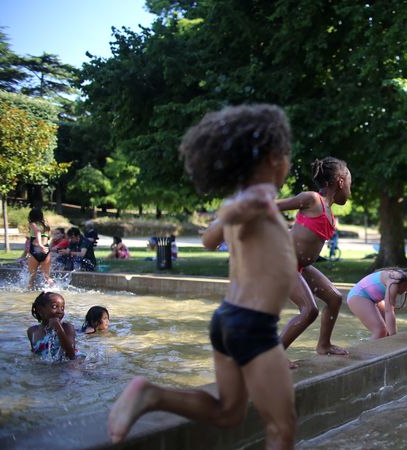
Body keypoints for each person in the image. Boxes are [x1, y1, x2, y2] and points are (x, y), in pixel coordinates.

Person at [108, 104, 297, 447]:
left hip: (227, 320)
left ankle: (151, 395)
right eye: (287, 156)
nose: (288, 164)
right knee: (281, 427)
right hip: (253, 325)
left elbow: (210, 239)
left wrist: (232, 213)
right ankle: (146, 395)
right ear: (273, 158)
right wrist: (246, 206)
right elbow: (233, 211)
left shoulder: (247, 204)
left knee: (228, 413)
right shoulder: (257, 202)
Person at [273, 156, 351, 359]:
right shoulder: (312, 199)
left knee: (334, 298)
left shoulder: (330, 213)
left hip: (301, 266)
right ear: (341, 182)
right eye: (350, 183)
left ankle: (324, 345)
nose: (350, 190)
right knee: (309, 310)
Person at [346, 257, 407, 339]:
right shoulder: (395, 280)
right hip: (358, 296)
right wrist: (394, 339)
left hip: (374, 299)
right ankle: (366, 356)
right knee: (380, 331)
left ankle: (381, 354)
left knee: (388, 332)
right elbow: (389, 310)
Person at [27, 291, 77, 361]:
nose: (60, 311)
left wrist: (58, 328)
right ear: (40, 310)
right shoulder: (32, 331)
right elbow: (35, 355)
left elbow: (71, 355)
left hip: (66, 366)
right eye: (54, 306)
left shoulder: (67, 327)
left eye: (62, 308)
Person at [26, 208, 54, 289]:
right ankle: (54, 290)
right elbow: (48, 238)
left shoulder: (32, 224)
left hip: (35, 249)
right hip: (46, 250)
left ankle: (27, 295)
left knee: (32, 277)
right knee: (47, 277)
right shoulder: (46, 226)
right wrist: (43, 245)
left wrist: (40, 245)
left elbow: (37, 232)